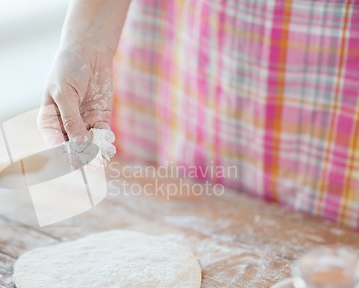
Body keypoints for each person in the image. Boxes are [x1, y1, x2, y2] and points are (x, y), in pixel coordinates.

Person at [39, 0, 359, 230]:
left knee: (321, 259)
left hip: (331, 58)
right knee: (179, 220)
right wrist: (85, 41)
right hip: (187, 42)